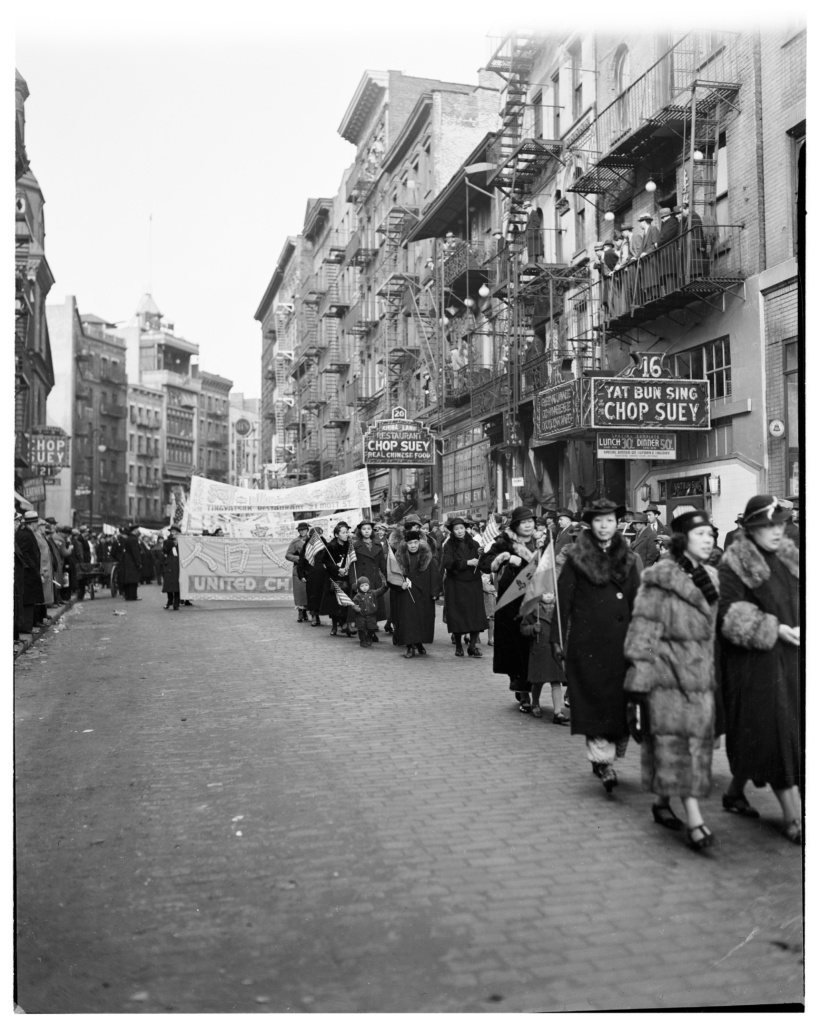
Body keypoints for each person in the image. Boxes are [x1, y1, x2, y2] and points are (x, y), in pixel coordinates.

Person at [624, 510, 720, 851]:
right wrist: (642, 678)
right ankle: (695, 820)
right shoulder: (660, 577)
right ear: (683, 540)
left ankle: (663, 801)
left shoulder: (710, 575)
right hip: (668, 678)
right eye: (701, 535)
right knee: (680, 746)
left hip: (701, 678)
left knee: (686, 745)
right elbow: (644, 633)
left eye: (711, 534)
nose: (709, 540)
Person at [718, 495, 801, 843]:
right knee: (777, 733)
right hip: (754, 664)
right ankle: (795, 818)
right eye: (769, 524)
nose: (777, 530)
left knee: (768, 732)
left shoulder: (790, 557)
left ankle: (735, 790)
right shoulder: (733, 562)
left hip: (792, 659)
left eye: (781, 523)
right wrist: (774, 628)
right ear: (751, 528)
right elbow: (727, 613)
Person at [549, 499, 642, 792]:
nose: (604, 526)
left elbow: (638, 601)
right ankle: (604, 762)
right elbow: (563, 602)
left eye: (610, 521)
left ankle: (605, 757)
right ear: (591, 524)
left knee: (618, 703)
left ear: (618, 525)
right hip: (587, 644)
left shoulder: (628, 559)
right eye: (599, 521)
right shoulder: (577, 559)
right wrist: (557, 638)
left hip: (622, 643)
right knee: (595, 701)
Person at [478, 506, 540, 709]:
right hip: (513, 599)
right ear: (516, 525)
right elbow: (485, 563)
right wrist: (504, 558)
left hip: (539, 597)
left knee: (536, 643)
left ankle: (532, 688)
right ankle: (522, 691)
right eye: (524, 522)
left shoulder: (543, 541)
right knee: (517, 643)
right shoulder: (504, 541)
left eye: (530, 521)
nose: (528, 525)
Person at [440, 517, 488, 657]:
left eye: (462, 528)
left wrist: (482, 555)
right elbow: (447, 562)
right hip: (456, 584)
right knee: (458, 616)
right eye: (456, 529)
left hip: (473, 583)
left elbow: (481, 563)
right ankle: (459, 645)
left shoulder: (474, 543)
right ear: (452, 531)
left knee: (475, 615)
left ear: (465, 529)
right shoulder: (448, 545)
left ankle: (472, 646)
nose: (460, 531)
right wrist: (466, 563)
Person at [520, 592, 569, 725]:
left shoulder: (560, 609)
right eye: (545, 593)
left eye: (551, 593)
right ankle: (535, 703)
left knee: (556, 681)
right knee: (538, 681)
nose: (548, 596)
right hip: (540, 650)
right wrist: (532, 629)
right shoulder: (532, 608)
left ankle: (557, 712)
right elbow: (523, 628)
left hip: (555, 650)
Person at [393, 524, 440, 658]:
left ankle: (419, 643)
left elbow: (434, 576)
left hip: (424, 594)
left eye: (415, 542)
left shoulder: (427, 557)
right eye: (410, 543)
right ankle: (409, 647)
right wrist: (399, 585)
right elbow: (392, 576)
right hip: (406, 594)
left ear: (419, 542)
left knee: (422, 620)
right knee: (408, 620)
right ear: (405, 544)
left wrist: (435, 592)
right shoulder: (399, 559)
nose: (413, 545)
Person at [319, 521, 357, 638]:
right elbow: (326, 561)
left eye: (347, 532)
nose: (346, 534)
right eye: (343, 532)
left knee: (345, 601)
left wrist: (346, 569)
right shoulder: (331, 546)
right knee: (334, 603)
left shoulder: (349, 546)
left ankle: (345, 624)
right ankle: (334, 626)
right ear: (336, 535)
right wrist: (337, 569)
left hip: (345, 577)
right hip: (334, 577)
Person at [352, 520, 388, 633]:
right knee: (364, 606)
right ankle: (366, 630)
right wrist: (354, 581)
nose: (366, 531)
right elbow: (352, 566)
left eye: (368, 529)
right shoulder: (355, 546)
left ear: (372, 530)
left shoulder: (377, 544)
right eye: (363, 529)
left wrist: (388, 577)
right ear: (360, 531)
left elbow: (382, 563)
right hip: (362, 581)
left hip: (375, 579)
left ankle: (373, 627)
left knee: (374, 604)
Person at [16, 511, 45, 635]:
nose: (37, 526)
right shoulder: (26, 535)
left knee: (30, 600)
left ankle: (28, 625)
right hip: (28, 574)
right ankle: (26, 627)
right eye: (35, 523)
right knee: (28, 600)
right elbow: (25, 553)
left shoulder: (28, 533)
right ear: (32, 523)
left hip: (30, 573)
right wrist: (32, 565)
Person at [297, 528, 327, 627]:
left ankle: (320, 615)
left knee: (322, 596)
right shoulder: (307, 546)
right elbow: (301, 561)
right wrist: (301, 575)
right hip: (311, 574)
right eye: (314, 535)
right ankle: (314, 616)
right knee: (312, 596)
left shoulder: (325, 545)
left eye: (319, 535)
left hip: (323, 574)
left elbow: (330, 559)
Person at [352, 576, 387, 647]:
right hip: (361, 616)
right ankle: (363, 641)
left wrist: (385, 586)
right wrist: (355, 607)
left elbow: (380, 591)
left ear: (369, 585)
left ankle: (368, 637)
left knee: (372, 628)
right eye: (362, 586)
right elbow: (353, 604)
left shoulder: (372, 593)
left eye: (366, 585)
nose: (364, 587)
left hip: (371, 615)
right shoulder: (357, 596)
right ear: (358, 587)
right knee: (361, 629)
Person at [286, 522, 311, 622]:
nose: (302, 531)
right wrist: (300, 559)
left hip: (310, 569)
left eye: (304, 529)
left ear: (307, 530)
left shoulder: (312, 540)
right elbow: (288, 555)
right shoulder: (295, 542)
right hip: (298, 569)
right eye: (300, 530)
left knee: (309, 592)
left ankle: (310, 612)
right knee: (299, 592)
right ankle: (300, 612)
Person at [119, 523, 144, 601]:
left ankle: (128, 596)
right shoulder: (134, 539)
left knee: (128, 579)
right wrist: (139, 563)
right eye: (137, 530)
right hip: (132, 561)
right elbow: (135, 552)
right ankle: (133, 596)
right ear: (135, 530)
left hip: (127, 560)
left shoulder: (128, 538)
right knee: (133, 579)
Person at [162, 525, 181, 610]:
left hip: (178, 565)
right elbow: (165, 550)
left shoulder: (182, 542)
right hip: (169, 564)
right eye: (171, 532)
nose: (172, 533)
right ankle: (169, 601)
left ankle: (176, 603)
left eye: (174, 532)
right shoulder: (167, 541)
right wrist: (171, 542)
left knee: (177, 584)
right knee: (169, 584)